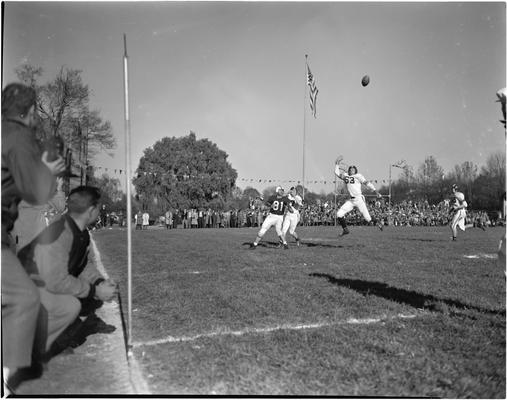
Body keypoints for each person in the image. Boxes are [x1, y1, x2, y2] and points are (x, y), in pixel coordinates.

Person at [1, 83, 65, 391]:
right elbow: (34, 191)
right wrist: (48, 170)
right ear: (28, 112)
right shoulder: (17, 135)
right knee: (24, 299)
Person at [17, 186, 117, 361]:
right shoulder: (61, 233)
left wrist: (98, 281)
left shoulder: (80, 233)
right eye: (98, 208)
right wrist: (95, 291)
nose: (99, 212)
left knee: (87, 301)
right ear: (91, 210)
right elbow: (55, 280)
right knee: (71, 306)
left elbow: (82, 264)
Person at [334, 159, 383, 236]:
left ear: (356, 170)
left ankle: (378, 222)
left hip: (359, 199)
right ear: (349, 170)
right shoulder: (346, 176)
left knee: (368, 219)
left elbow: (367, 183)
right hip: (351, 201)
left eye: (353, 169)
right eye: (351, 169)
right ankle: (345, 230)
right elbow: (337, 173)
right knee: (339, 214)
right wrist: (336, 164)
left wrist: (375, 191)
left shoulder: (358, 176)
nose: (352, 170)